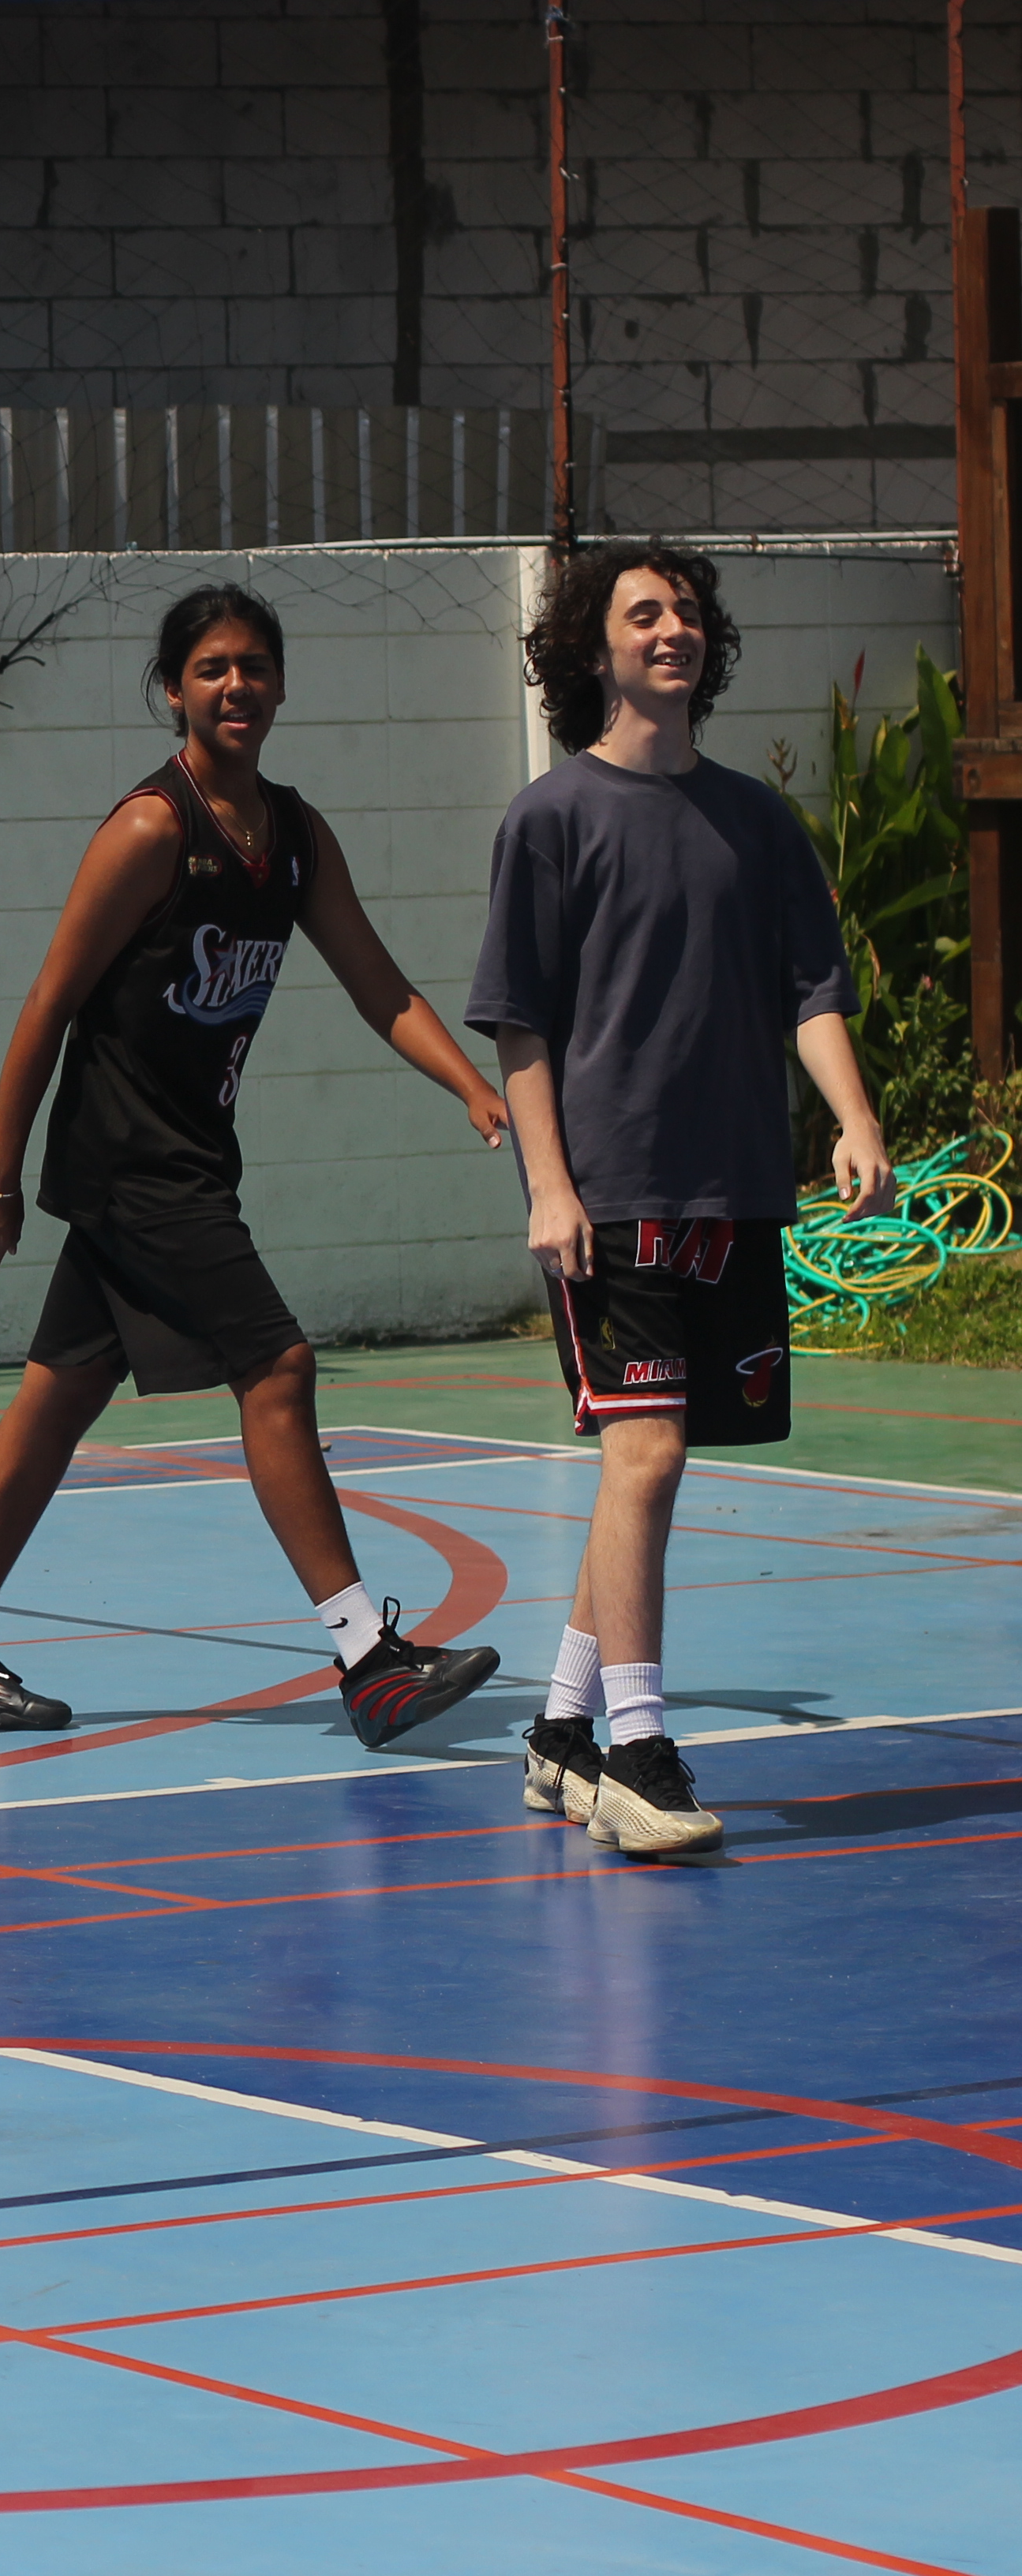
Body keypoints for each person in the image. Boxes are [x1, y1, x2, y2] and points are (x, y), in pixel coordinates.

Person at [0, 585, 512, 1747]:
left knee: (63, 1391)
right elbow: (48, 1002)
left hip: (189, 1161)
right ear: (174, 689)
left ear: (281, 686)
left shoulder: (293, 836)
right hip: (134, 1166)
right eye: (213, 668)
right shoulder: (151, 829)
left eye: (256, 668)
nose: (237, 687)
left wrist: (470, 1083)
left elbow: (380, 985)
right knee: (276, 1366)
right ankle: (367, 1661)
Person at [472, 544, 892, 1859]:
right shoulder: (551, 818)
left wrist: (857, 1116)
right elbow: (521, 1024)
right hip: (613, 1197)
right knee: (644, 1456)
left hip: (734, 1192)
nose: (674, 631)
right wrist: (549, 1185)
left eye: (688, 614)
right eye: (643, 614)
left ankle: (557, 1732)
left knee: (646, 1470)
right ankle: (637, 1752)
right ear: (594, 652)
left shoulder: (757, 824)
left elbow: (809, 994)